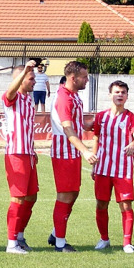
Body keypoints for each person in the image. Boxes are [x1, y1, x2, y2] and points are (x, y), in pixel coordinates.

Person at [48, 61, 97, 252]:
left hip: (73, 151)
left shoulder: (74, 96)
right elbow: (67, 129)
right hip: (64, 152)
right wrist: (85, 150)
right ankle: (60, 243)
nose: (87, 80)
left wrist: (96, 122)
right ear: (73, 78)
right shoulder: (64, 98)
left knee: (73, 193)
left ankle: (55, 233)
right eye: (84, 76)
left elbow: (78, 124)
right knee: (65, 195)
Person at [91, 81, 134, 253]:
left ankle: (127, 242)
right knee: (101, 204)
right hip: (103, 168)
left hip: (123, 169)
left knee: (126, 205)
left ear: (127, 96)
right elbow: (97, 138)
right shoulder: (100, 117)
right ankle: (104, 239)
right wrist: (94, 163)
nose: (119, 95)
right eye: (116, 92)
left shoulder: (131, 118)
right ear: (109, 95)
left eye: (123, 92)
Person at [2, 60, 38, 253]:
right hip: (16, 154)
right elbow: (9, 93)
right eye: (31, 79)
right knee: (18, 198)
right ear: (21, 79)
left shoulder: (29, 100)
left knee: (32, 197)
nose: (34, 82)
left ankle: (20, 236)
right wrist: (25, 70)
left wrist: (33, 151)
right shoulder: (13, 97)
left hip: (28, 154)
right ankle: (11, 243)